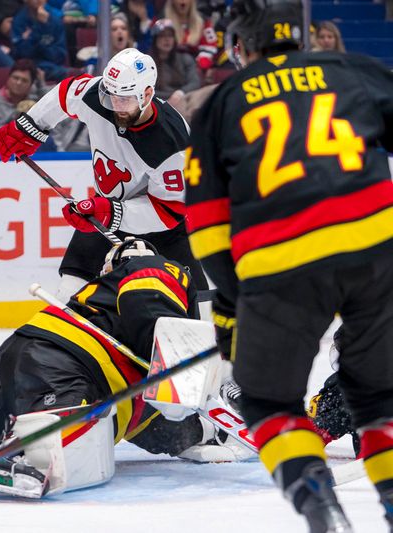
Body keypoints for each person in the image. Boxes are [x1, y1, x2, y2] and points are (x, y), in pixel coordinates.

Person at [184, 0, 393, 529]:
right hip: (376, 254)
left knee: (266, 400)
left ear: (241, 49)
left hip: (281, 266)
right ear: (299, 40)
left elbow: (208, 228)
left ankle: (322, 510)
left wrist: (233, 314)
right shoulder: (352, 71)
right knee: (380, 399)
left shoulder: (221, 103)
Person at [0, 238, 246, 495]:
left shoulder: (152, 360)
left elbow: (156, 430)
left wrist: (200, 434)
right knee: (71, 445)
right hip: (68, 361)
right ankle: (27, 452)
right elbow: (148, 310)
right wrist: (181, 377)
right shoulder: (155, 267)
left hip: (39, 358)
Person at [0, 48, 207, 301]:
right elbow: (65, 94)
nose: (115, 105)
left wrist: (111, 212)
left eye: (124, 98)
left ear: (147, 94)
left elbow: (168, 211)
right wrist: (31, 126)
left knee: (198, 306)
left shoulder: (173, 143)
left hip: (162, 231)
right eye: (111, 94)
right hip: (103, 210)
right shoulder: (99, 96)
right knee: (68, 295)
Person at [149, 19, 201, 116]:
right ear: (155, 39)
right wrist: (169, 99)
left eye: (170, 36)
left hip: (183, 101)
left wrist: (180, 93)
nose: (167, 39)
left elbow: (195, 82)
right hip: (155, 104)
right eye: (162, 36)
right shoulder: (147, 63)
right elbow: (144, 90)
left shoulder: (185, 59)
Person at [10, 0, 68, 82]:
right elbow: (23, 54)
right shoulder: (19, 21)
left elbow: (59, 56)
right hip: (27, 68)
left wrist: (34, 40)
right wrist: (39, 26)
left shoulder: (55, 21)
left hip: (52, 67)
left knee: (70, 74)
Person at [0, 59, 40, 130]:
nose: (18, 83)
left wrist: (42, 85)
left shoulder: (32, 100)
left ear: (30, 85)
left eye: (24, 80)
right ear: (8, 78)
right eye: (15, 78)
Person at [161, 0, 218, 70]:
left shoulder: (203, 21)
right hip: (167, 68)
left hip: (196, 69)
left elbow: (210, 47)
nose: (183, 2)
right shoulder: (161, 22)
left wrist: (199, 64)